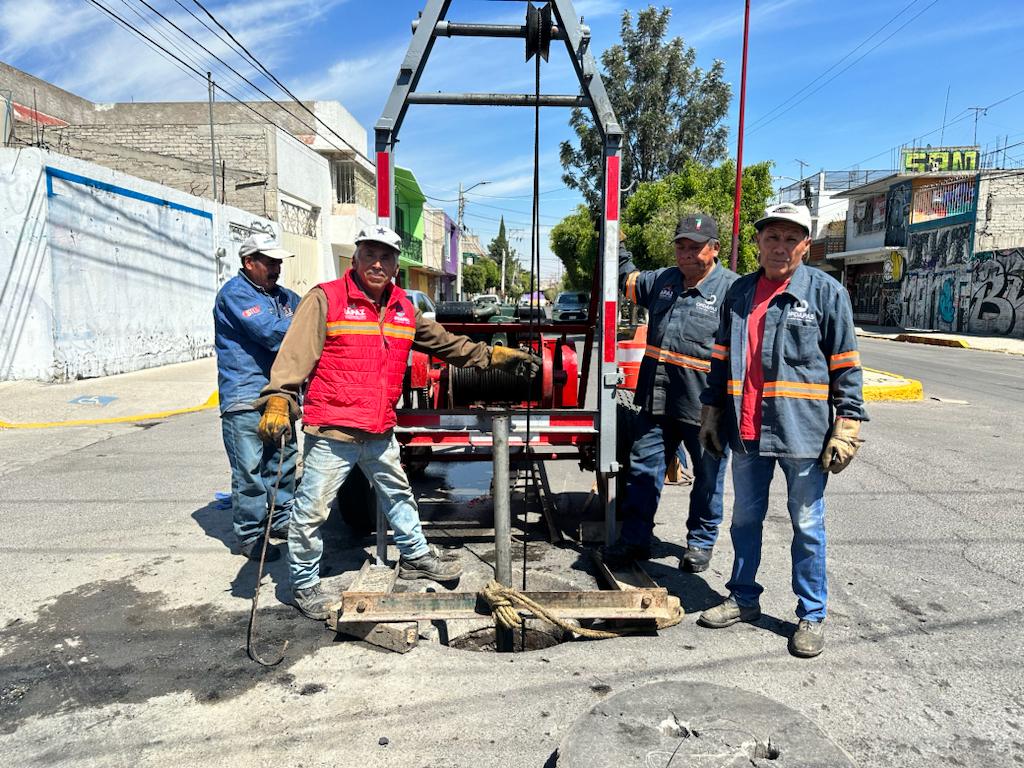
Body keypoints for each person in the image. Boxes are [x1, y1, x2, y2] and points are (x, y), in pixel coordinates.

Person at [257, 224, 540, 620]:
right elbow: (294, 354)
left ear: (395, 265)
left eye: (386, 256)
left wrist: (494, 357)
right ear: (354, 259)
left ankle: (416, 556)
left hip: (378, 427)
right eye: (369, 254)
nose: (377, 263)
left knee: (398, 495)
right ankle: (303, 584)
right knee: (311, 510)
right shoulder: (327, 299)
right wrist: (278, 398)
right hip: (333, 427)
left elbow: (449, 345)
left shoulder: (405, 308)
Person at [697, 202, 867, 658]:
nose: (780, 246)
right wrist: (711, 410)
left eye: (791, 238)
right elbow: (719, 359)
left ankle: (811, 614)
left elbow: (847, 365)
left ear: (805, 245)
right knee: (745, 519)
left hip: (803, 436)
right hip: (746, 429)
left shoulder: (826, 294)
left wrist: (847, 421)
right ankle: (743, 598)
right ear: (758, 243)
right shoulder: (739, 294)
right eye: (772, 237)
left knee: (807, 525)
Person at [603, 213, 738, 572]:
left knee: (708, 479)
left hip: (704, 410)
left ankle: (700, 543)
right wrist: (616, 241)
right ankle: (635, 540)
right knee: (643, 471)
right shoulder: (663, 280)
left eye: (694, 248)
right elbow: (625, 278)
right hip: (655, 401)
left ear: (714, 249)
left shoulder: (732, 290)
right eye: (681, 247)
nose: (686, 254)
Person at [213, 233, 301, 561]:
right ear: (249, 263)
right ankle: (250, 533)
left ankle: (280, 519)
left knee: (282, 461)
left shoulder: (283, 297)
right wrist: (296, 324)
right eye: (270, 262)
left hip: (280, 393)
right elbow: (271, 334)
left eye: (278, 262)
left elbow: (311, 318)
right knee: (249, 468)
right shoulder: (235, 294)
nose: (276, 268)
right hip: (245, 395)